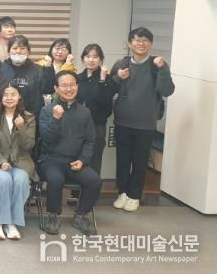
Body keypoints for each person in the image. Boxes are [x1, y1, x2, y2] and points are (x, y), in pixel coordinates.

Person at [110, 27, 175, 212]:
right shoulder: (121, 63)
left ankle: (134, 195)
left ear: (151, 44)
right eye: (137, 40)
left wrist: (163, 69)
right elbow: (109, 88)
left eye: (145, 40)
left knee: (140, 162)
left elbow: (167, 91)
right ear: (130, 43)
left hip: (146, 123)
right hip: (122, 121)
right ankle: (122, 192)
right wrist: (117, 77)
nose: (141, 43)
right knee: (122, 160)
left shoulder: (157, 65)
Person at [38, 71, 101, 236]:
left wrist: (83, 160)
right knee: (55, 179)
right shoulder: (47, 110)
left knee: (94, 180)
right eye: (64, 85)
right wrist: (55, 119)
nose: (69, 89)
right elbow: (46, 139)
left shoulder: (84, 112)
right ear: (56, 88)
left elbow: (90, 140)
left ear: (77, 87)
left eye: (72, 85)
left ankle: (81, 215)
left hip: (75, 161)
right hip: (50, 160)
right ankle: (53, 215)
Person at [0, 84, 37, 240]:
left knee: (21, 180)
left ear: (19, 96)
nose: (9, 98)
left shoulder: (29, 118)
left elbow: (29, 145)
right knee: (4, 179)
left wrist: (21, 128)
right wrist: (0, 161)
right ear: (1, 98)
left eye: (13, 94)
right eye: (5, 95)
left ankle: (11, 223)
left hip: (21, 161)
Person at [77, 44, 116, 174]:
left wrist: (102, 79)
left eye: (95, 57)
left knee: (94, 160)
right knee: (77, 158)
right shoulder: (78, 78)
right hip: (79, 125)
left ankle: (93, 186)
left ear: (101, 59)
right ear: (83, 59)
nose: (91, 60)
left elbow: (103, 100)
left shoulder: (107, 79)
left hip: (97, 125)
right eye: (88, 56)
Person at [0, 35, 55, 120]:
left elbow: (48, 90)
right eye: (14, 48)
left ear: (28, 51)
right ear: (9, 51)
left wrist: (48, 69)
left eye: (22, 48)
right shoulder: (0, 69)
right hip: (5, 117)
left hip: (32, 117)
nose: (18, 51)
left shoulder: (38, 70)